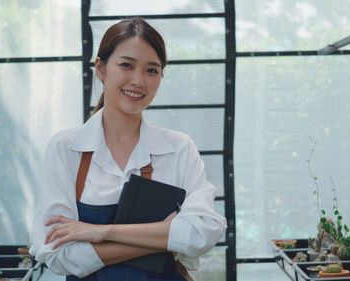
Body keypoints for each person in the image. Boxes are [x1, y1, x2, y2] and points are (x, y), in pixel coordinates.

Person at [30, 17, 227, 281]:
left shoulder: (179, 149)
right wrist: (165, 235)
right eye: (126, 65)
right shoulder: (66, 149)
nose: (138, 80)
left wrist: (102, 232)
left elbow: (204, 232)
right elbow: (55, 253)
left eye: (151, 70)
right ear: (101, 68)